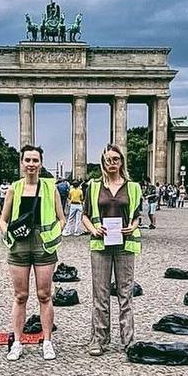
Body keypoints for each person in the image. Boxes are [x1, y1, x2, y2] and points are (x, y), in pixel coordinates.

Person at [0, 146, 64, 361]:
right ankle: (17, 342)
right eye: (27, 160)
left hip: (43, 244)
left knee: (44, 295)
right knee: (20, 296)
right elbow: (3, 219)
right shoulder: (14, 188)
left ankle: (47, 341)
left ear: (41, 164)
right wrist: (8, 236)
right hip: (19, 244)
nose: (31, 164)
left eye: (35, 160)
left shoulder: (50, 187)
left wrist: (53, 236)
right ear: (22, 163)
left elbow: (61, 218)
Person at [81, 144, 143, 356]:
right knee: (101, 294)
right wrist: (93, 229)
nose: (112, 163)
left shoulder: (133, 187)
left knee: (126, 294)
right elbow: (85, 216)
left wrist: (132, 226)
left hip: (125, 245)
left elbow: (137, 216)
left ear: (121, 161)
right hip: (100, 245)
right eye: (108, 160)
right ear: (103, 163)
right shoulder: (93, 186)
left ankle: (128, 340)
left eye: (116, 159)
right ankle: (99, 339)